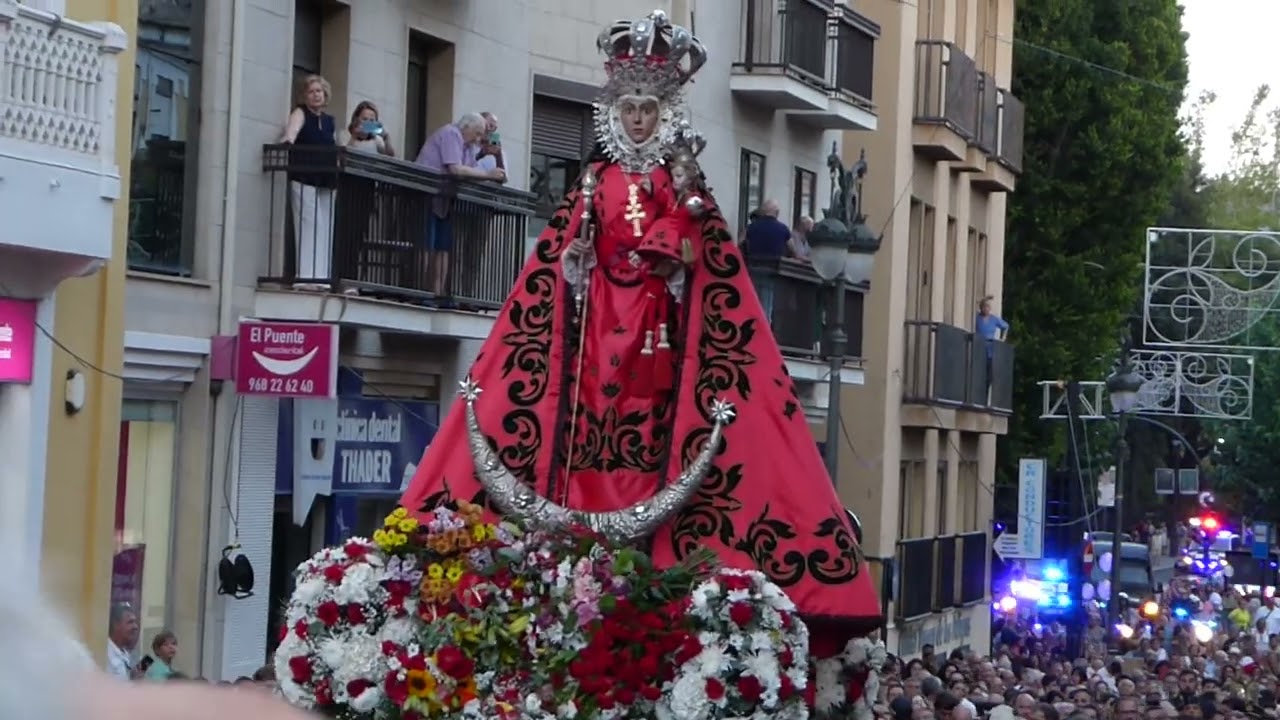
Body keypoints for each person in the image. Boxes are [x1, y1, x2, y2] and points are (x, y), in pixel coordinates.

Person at [399, 9, 881, 655]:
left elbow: (703, 252)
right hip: (596, 321)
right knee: (584, 407)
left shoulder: (680, 182)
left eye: (648, 108)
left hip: (658, 326)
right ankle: (570, 508)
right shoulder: (594, 180)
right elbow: (565, 251)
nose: (637, 119)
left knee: (650, 417)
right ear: (614, 111)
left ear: (663, 113)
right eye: (628, 107)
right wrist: (575, 260)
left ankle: (652, 529)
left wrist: (675, 244)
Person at [280, 74, 338, 291]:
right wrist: (287, 140)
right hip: (304, 175)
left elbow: (336, 143)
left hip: (327, 177)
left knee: (325, 226)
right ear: (305, 96)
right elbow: (291, 132)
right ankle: (305, 277)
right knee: (307, 223)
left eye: (319, 91)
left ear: (325, 95)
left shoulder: (329, 121)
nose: (316, 95)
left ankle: (321, 277)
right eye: (311, 91)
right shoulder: (300, 113)